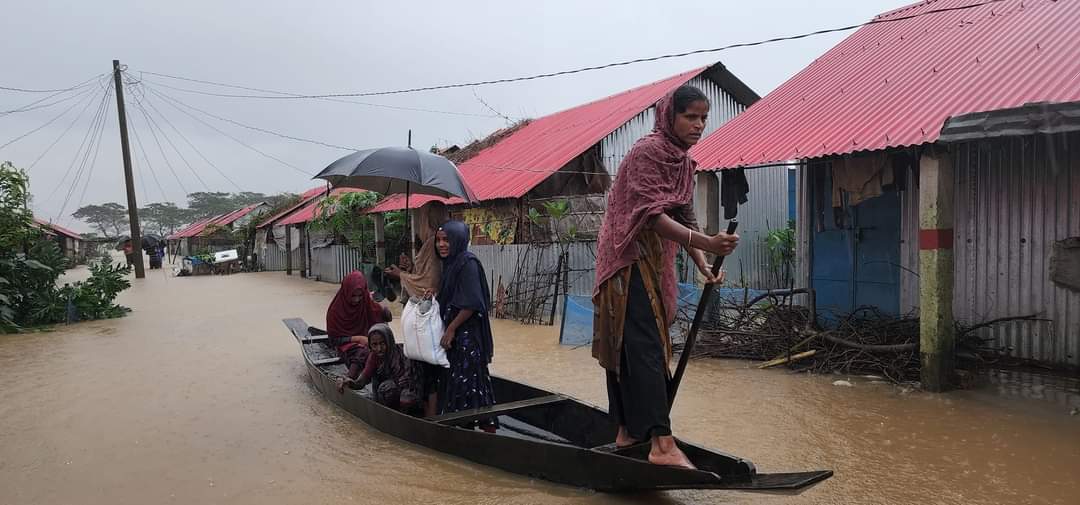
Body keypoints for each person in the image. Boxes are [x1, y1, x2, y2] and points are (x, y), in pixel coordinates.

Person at [592, 85, 739, 470]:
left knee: (640, 345)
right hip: (626, 258)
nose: (699, 125)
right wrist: (706, 241)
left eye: (703, 118)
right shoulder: (648, 152)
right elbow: (651, 215)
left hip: (654, 259)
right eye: (690, 116)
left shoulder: (683, 162)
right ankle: (660, 443)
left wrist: (704, 262)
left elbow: (684, 215)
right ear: (669, 117)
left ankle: (628, 433)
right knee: (639, 347)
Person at [384, 201, 450, 416]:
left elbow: (428, 284)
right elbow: (422, 276)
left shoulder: (432, 244)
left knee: (428, 374)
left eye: (422, 217)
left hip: (428, 316)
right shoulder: (434, 243)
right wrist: (409, 268)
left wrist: (400, 275)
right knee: (427, 372)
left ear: (427, 219)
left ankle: (430, 419)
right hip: (429, 314)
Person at [435, 220, 497, 432]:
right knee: (467, 385)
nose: (441, 245)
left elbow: (471, 302)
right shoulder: (451, 264)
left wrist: (451, 329)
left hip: (467, 338)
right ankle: (469, 429)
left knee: (470, 384)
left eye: (446, 240)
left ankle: (481, 430)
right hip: (457, 337)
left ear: (458, 240)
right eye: (438, 240)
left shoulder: (467, 263)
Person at [327, 271, 392, 391]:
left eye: (360, 296)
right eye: (353, 296)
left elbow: (378, 313)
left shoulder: (366, 301)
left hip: (369, 342)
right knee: (364, 351)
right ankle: (350, 377)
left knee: (383, 347)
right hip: (348, 347)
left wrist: (385, 312)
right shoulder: (335, 311)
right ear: (346, 292)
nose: (356, 300)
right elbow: (333, 340)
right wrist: (357, 339)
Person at [341, 323, 422, 412]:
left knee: (401, 395)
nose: (379, 349)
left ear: (389, 341)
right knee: (386, 388)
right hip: (384, 393)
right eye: (374, 345)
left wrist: (397, 385)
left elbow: (411, 380)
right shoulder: (373, 357)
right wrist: (350, 383)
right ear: (370, 345)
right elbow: (361, 381)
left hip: (406, 390)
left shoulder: (403, 354)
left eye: (382, 343)